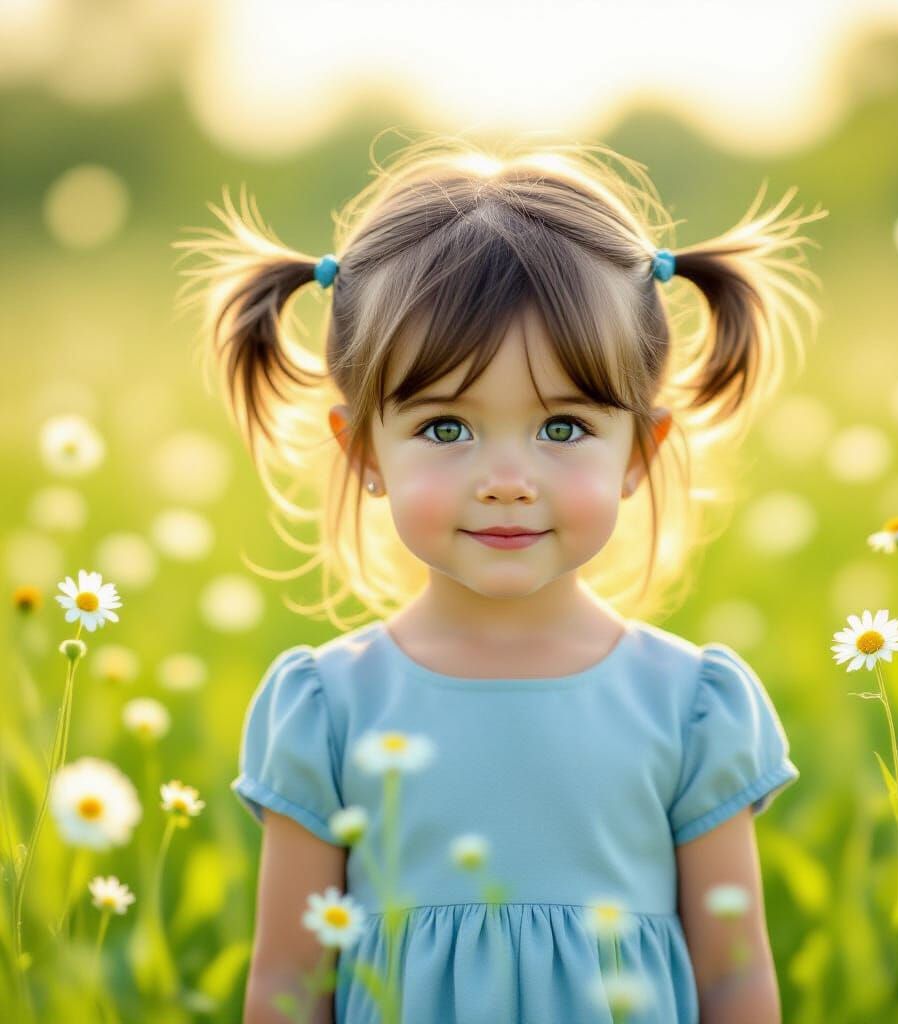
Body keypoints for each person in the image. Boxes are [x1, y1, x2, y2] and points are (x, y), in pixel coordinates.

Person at [174, 133, 827, 1024]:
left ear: (640, 450)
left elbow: (735, 981)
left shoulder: (691, 706)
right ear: (364, 450)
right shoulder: (328, 708)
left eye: (563, 428)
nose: (507, 477)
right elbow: (288, 988)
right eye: (447, 428)